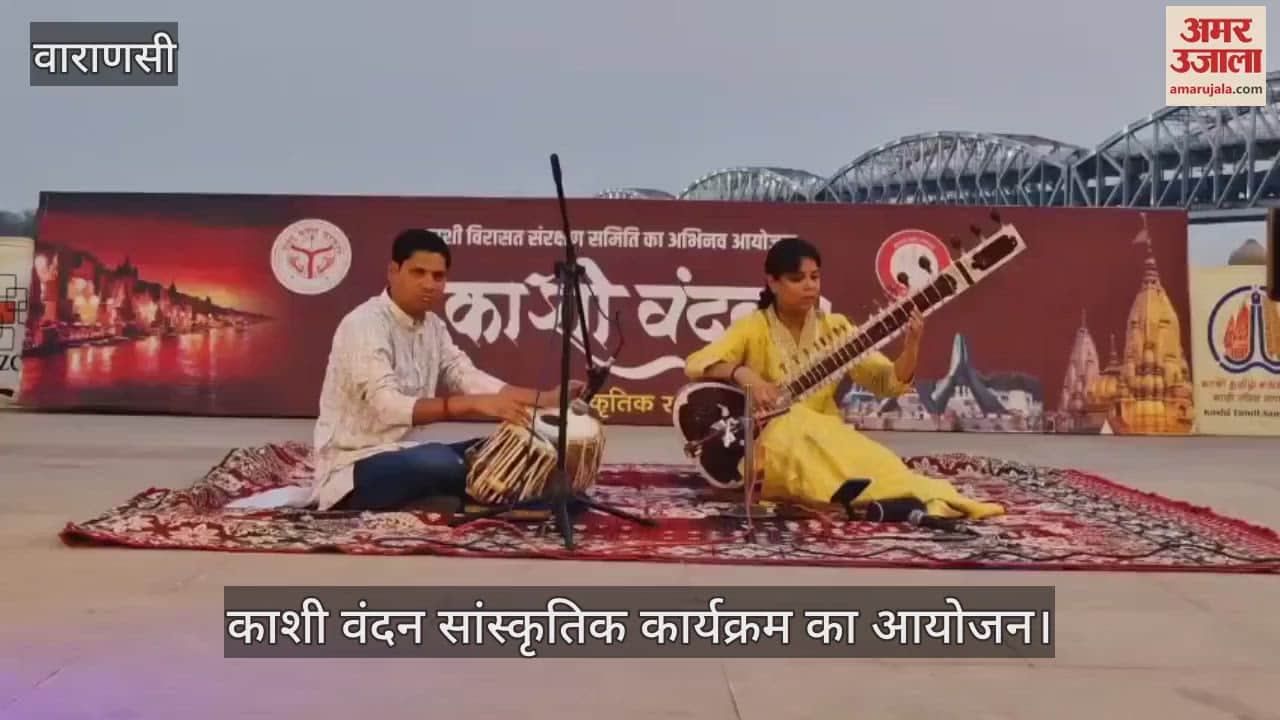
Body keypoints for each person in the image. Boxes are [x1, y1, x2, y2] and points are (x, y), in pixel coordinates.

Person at [683, 237, 1004, 521]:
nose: (810, 286)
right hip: (770, 445)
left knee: (876, 461)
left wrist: (912, 345)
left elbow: (887, 382)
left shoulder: (836, 329)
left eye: (815, 277)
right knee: (792, 420)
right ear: (773, 282)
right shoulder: (753, 327)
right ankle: (912, 500)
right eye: (798, 279)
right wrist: (745, 374)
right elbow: (697, 363)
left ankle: (932, 498)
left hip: (827, 437)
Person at [307, 228, 582, 512]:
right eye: (418, 273)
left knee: (510, 450)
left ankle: (443, 499)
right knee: (440, 462)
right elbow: (389, 408)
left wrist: (545, 399)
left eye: (438, 276)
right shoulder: (363, 325)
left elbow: (465, 375)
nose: (429, 284)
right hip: (352, 468)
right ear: (393, 271)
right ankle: (467, 496)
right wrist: (472, 405)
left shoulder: (433, 327)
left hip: (406, 454)